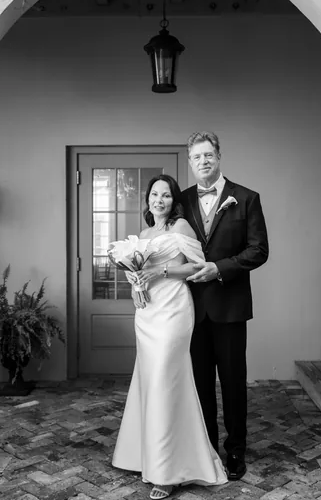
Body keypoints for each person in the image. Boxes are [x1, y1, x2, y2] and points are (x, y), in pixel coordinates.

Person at [111, 174, 228, 500]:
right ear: (147, 199)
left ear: (173, 200)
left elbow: (198, 268)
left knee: (166, 380)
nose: (158, 200)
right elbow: (138, 272)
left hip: (174, 309)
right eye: (153, 195)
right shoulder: (145, 234)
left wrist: (160, 272)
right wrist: (137, 286)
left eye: (165, 195)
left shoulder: (181, 228)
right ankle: (146, 456)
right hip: (147, 314)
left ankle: (168, 473)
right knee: (150, 382)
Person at [181, 131, 269, 481]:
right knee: (199, 383)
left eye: (208, 155)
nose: (203, 161)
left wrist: (220, 268)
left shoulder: (246, 198)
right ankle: (206, 447)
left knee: (233, 382)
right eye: (196, 157)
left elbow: (258, 250)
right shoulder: (182, 200)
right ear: (190, 163)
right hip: (190, 309)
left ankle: (235, 450)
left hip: (230, 306)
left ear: (219, 157)